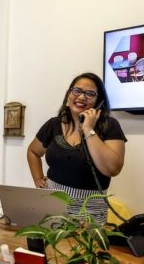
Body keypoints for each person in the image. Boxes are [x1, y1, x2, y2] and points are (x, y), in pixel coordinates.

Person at [26, 72, 126, 223]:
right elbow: (33, 151)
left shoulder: (109, 126)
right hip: (52, 206)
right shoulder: (53, 125)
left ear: (99, 101)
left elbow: (112, 169)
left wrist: (88, 129)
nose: (81, 97)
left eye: (90, 93)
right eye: (77, 91)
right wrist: (38, 178)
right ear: (68, 95)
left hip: (90, 212)